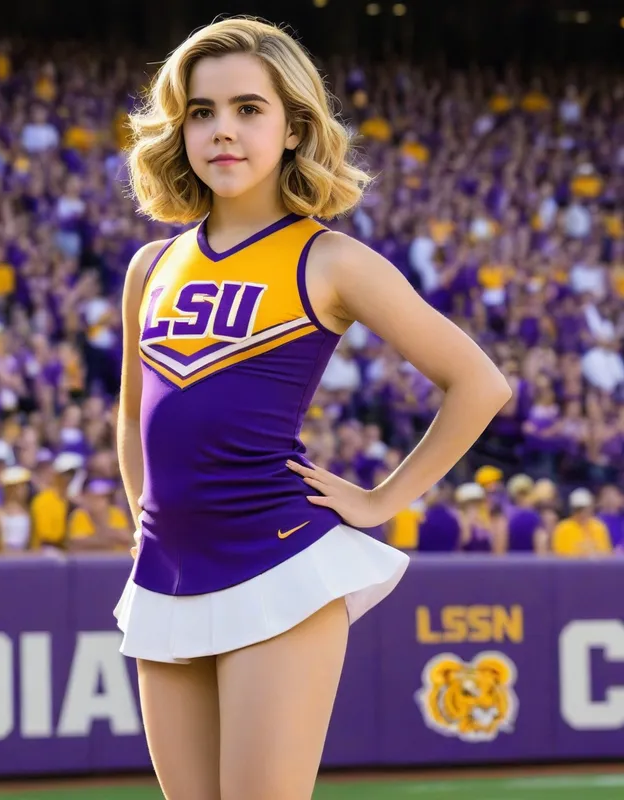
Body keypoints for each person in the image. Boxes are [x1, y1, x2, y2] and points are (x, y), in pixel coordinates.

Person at [112, 17, 512, 800]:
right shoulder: (150, 265)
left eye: (248, 109)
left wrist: (381, 499)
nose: (222, 131)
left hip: (278, 559)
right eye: (201, 111)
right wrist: (144, 515)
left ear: (294, 128)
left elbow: (480, 383)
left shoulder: (329, 259)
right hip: (165, 568)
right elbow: (132, 417)